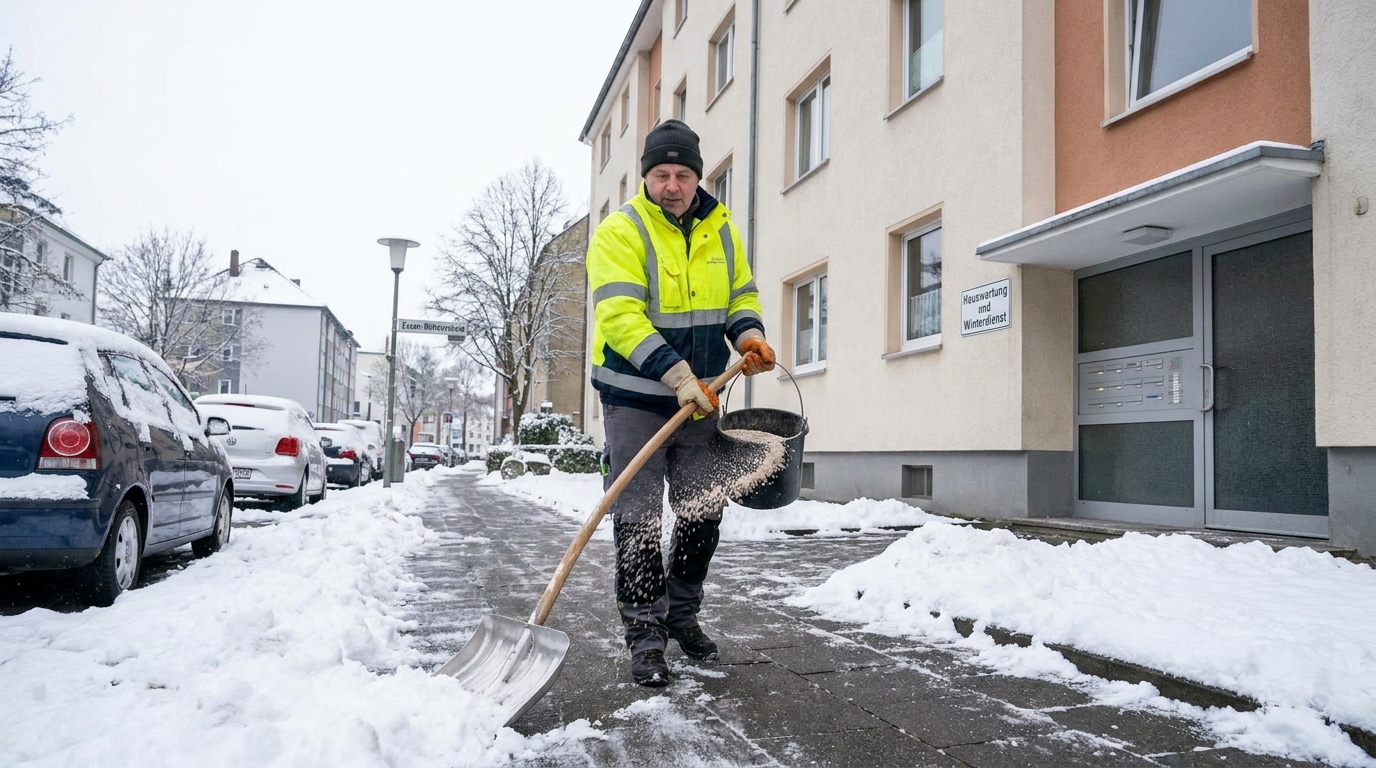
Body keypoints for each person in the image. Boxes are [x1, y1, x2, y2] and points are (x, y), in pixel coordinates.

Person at [586, 119, 776, 687]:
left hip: (701, 400)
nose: (673, 184)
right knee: (639, 521)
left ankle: (683, 615)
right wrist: (677, 376)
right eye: (662, 174)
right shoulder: (620, 232)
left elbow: (740, 293)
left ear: (699, 177)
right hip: (637, 400)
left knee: (702, 513)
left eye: (684, 174)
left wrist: (748, 336)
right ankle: (645, 636)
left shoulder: (721, 230)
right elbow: (620, 317)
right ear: (646, 177)